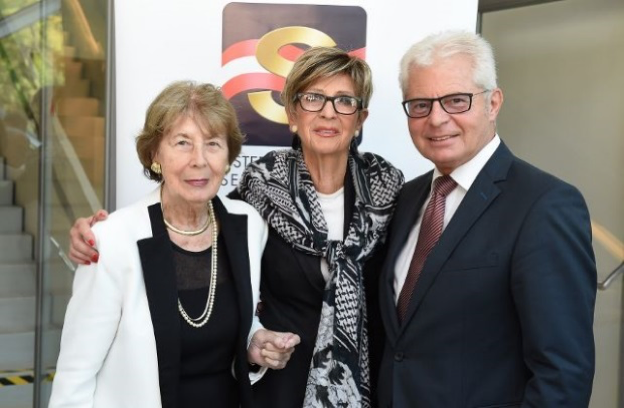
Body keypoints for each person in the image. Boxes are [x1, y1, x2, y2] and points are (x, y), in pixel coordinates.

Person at [67, 47, 404, 407]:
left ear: (361, 118)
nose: (328, 112)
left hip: (364, 387)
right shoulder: (260, 192)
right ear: (292, 113)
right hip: (278, 392)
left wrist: (254, 341)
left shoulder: (392, 192)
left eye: (344, 101)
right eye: (313, 98)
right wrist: (91, 237)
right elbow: (190, 204)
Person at [376, 30, 597, 407]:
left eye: (456, 101)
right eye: (420, 104)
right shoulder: (405, 199)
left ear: (493, 103)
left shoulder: (544, 205)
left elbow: (562, 373)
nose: (437, 119)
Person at [49, 81, 299, 408]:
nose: (199, 160)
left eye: (212, 144)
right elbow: (75, 376)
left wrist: (254, 343)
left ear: (228, 156)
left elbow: (232, 319)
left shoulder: (249, 225)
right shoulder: (112, 240)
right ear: (155, 154)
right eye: (182, 143)